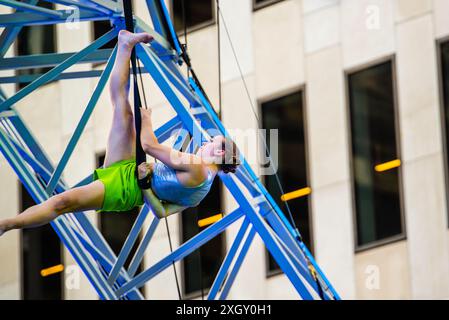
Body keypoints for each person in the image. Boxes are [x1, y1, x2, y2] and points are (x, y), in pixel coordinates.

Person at [0, 30, 239, 237]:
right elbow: (161, 212)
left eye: (210, 141)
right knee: (122, 111)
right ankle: (124, 44)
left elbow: (149, 147)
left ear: (219, 152)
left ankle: (7, 224)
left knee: (63, 203)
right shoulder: (201, 192)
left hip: (128, 188)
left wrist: (146, 121)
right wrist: (146, 185)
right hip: (132, 175)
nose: (205, 143)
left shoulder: (197, 166)